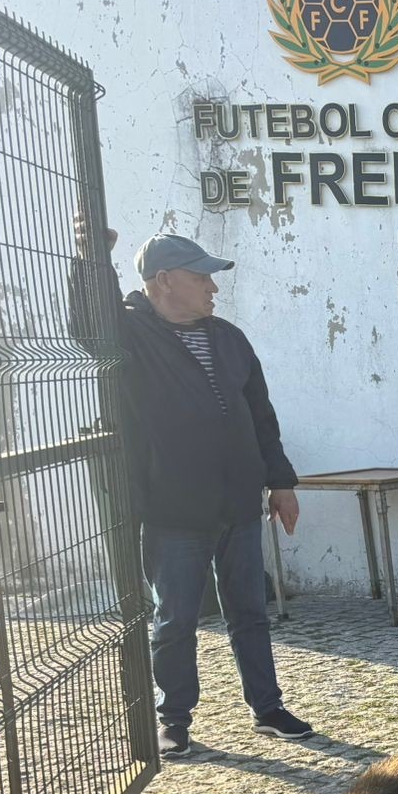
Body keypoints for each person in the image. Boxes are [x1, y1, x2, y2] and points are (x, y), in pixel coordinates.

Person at [73, 217, 314, 755]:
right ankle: (174, 719)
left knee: (249, 611)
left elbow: (261, 416)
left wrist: (280, 481)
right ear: (163, 281)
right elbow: (90, 327)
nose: (213, 286)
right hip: (173, 508)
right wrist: (92, 256)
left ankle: (268, 708)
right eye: (201, 276)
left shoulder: (229, 338)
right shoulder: (130, 334)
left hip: (239, 502)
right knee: (175, 618)